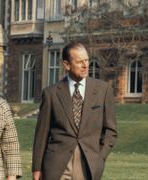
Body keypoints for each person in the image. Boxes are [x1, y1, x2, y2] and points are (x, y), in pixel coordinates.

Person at [32, 42, 117, 180]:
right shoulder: (51, 93)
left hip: (88, 164)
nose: (85, 65)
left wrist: (99, 157)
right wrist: (37, 168)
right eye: (79, 62)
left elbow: (110, 130)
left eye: (87, 60)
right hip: (56, 165)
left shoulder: (103, 90)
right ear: (66, 65)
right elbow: (41, 134)